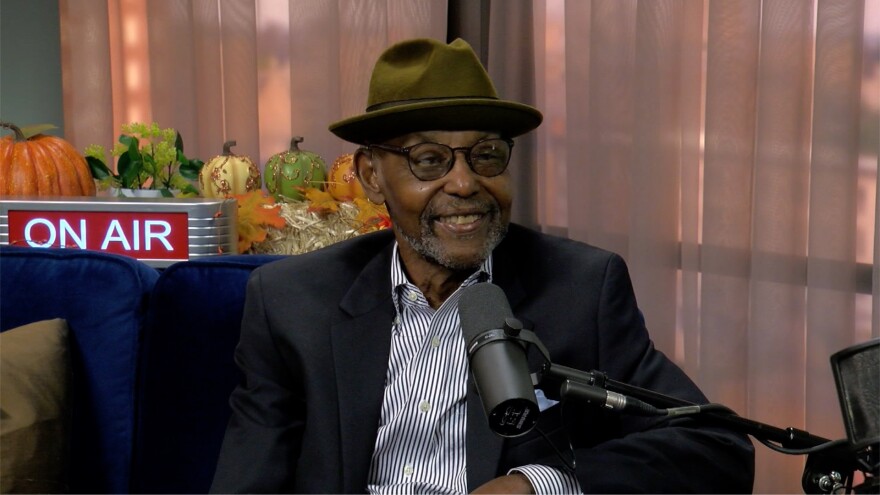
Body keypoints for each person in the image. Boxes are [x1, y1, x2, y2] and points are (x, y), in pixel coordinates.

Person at [210, 38, 754, 494]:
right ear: (372, 176)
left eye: (487, 155)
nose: (466, 184)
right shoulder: (293, 300)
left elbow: (714, 446)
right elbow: (249, 480)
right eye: (429, 160)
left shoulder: (579, 289)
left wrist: (538, 485)